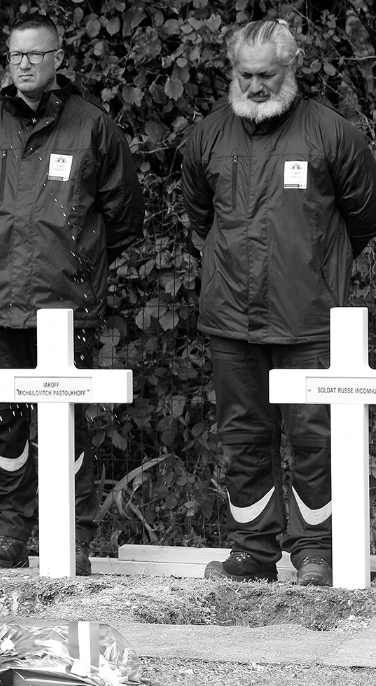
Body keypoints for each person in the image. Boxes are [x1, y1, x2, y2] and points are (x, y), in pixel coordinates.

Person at [182, 20, 376, 586]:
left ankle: (316, 550)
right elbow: (200, 216)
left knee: (315, 434)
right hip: (231, 319)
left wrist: (313, 264)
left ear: (290, 68)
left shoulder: (332, 133)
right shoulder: (208, 135)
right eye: (245, 74)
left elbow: (363, 217)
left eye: (267, 74)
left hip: (311, 318)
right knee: (243, 434)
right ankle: (252, 552)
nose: (256, 85)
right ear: (232, 71)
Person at [0, 15, 144, 575]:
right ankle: (10, 534)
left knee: (68, 422)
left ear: (58, 59)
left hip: (67, 306)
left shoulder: (93, 127)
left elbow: (124, 216)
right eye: (15, 55)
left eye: (35, 55)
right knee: (3, 422)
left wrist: (79, 266)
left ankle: (74, 537)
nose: (23, 63)